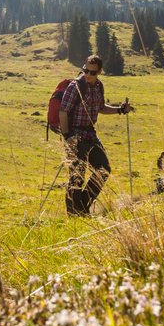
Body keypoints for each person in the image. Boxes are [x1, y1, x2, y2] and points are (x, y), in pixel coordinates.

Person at [58, 54, 134, 216]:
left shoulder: (99, 86)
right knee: (77, 174)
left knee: (104, 169)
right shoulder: (75, 87)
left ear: (99, 71)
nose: (88, 74)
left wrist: (120, 110)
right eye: (86, 70)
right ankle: (74, 213)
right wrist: (67, 136)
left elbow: (101, 107)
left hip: (90, 135)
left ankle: (83, 204)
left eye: (93, 72)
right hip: (75, 135)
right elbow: (63, 112)